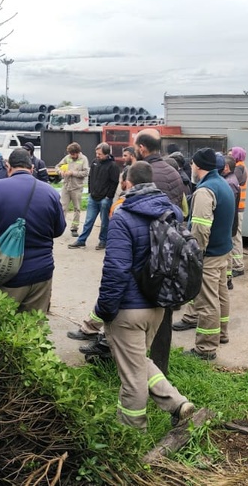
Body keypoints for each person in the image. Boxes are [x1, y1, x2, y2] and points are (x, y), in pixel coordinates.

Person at [92, 161, 195, 431]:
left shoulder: (123, 216)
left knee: (132, 377)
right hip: (158, 305)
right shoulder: (171, 212)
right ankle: (177, 403)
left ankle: (133, 430)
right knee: (138, 361)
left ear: (127, 183)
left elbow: (116, 268)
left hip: (128, 309)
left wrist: (105, 309)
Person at [0, 149, 66, 312]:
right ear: (32, 169)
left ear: (8, 167)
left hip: (3, 272)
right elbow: (59, 230)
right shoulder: (51, 193)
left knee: (1, 324)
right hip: (42, 272)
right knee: (33, 325)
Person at [133, 129, 188, 374]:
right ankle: (160, 367)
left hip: (147, 249)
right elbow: (180, 208)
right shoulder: (173, 171)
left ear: (142, 148)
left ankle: (137, 367)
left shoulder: (144, 173)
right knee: (164, 312)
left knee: (138, 309)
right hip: (169, 250)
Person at [173, 148, 235, 360]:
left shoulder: (205, 191)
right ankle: (222, 334)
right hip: (223, 251)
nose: (191, 167)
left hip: (209, 254)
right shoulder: (222, 184)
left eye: (192, 164)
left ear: (197, 166)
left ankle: (206, 348)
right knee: (221, 293)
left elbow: (200, 228)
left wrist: (195, 254)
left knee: (207, 301)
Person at [68, 143, 120, 250]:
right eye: (97, 153)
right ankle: (81, 241)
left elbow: (114, 182)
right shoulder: (95, 162)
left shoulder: (113, 166)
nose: (97, 156)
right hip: (93, 197)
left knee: (104, 222)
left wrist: (108, 197)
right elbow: (90, 177)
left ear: (106, 154)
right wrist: (90, 191)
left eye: (100, 154)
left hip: (105, 199)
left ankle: (103, 241)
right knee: (88, 221)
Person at [57, 142, 90, 237]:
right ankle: (60, 226)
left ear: (78, 152)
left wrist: (73, 173)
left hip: (77, 188)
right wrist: (61, 172)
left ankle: (74, 228)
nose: (71, 156)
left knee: (77, 208)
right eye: (70, 154)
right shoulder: (67, 158)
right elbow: (57, 166)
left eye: (73, 154)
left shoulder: (83, 159)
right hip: (66, 186)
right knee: (62, 207)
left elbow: (86, 173)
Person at [222, 155, 242, 290]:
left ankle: (227, 279)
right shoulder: (232, 179)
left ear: (226, 167)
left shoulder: (229, 183)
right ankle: (228, 278)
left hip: (229, 223)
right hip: (231, 222)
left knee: (227, 253)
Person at [229, 146, 248, 277]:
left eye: (232, 155)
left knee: (235, 236)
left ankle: (238, 266)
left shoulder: (238, 169)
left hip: (237, 207)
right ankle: (236, 264)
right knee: (235, 236)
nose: (229, 157)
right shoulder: (241, 167)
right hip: (238, 207)